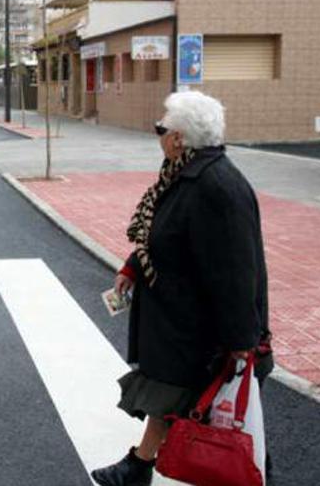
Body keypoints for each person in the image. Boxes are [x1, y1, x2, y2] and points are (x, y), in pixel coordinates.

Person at [89, 91, 273, 486]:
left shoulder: (215, 188)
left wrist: (243, 339)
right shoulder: (183, 176)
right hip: (179, 318)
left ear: (179, 138)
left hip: (199, 326)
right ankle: (140, 465)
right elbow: (166, 237)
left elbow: (238, 271)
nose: (159, 135)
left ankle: (247, 468)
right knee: (176, 394)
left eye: (162, 127)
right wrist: (133, 268)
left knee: (199, 402)